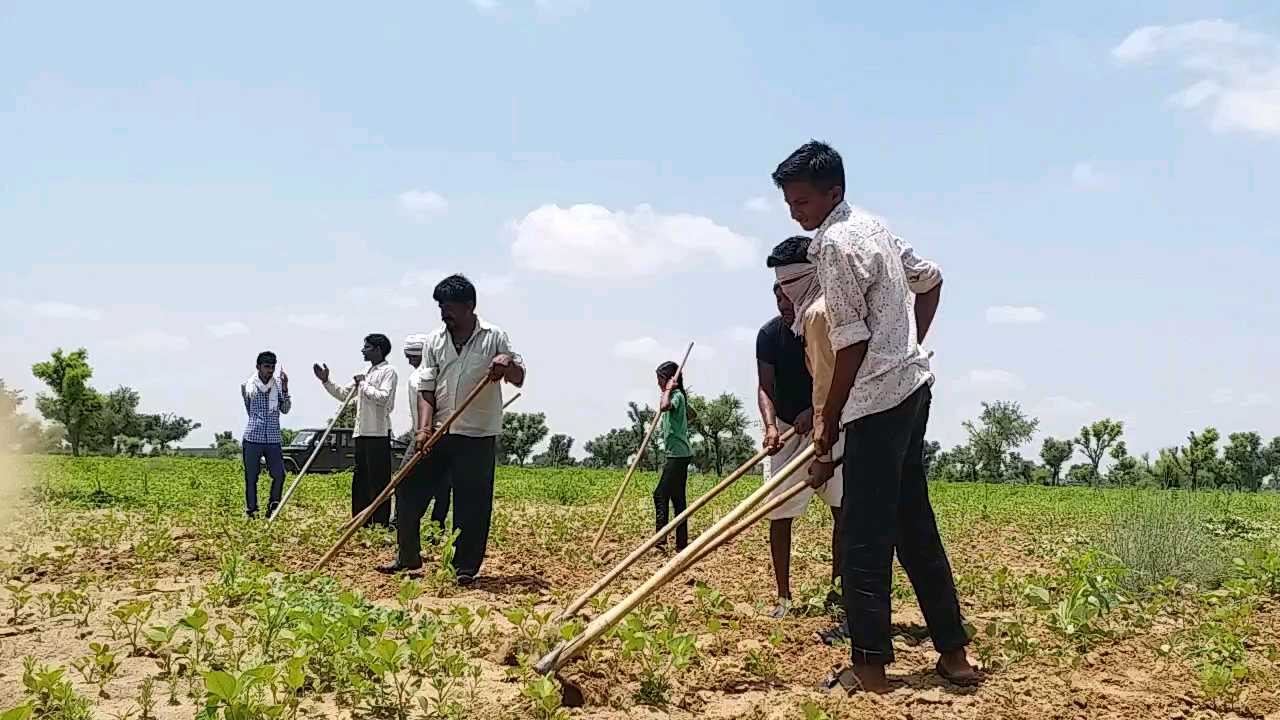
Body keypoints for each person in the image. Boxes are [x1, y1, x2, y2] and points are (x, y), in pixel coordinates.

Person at [772, 140, 978, 692]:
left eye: (804, 202)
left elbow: (853, 341)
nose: (797, 213)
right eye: (790, 203)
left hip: (875, 401)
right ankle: (954, 655)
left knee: (864, 537)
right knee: (914, 525)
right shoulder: (876, 226)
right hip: (913, 390)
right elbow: (930, 279)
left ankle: (868, 668)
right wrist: (909, 346)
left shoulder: (834, 246)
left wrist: (827, 419)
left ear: (833, 192)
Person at [384, 274, 524, 583]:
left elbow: (519, 376)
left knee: (471, 502)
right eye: (441, 307)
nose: (445, 313)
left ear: (470, 306)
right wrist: (422, 431)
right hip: (437, 432)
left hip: (477, 434)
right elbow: (426, 389)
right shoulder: (435, 340)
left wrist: (506, 363)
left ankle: (464, 568)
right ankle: (407, 555)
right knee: (406, 486)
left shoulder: (494, 337)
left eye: (450, 308)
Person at [767, 236, 848, 641]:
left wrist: (818, 427)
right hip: (790, 430)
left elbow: (829, 382)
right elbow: (765, 386)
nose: (786, 302)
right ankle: (783, 595)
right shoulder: (772, 333)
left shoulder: (822, 317)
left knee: (843, 511)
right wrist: (774, 426)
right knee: (778, 513)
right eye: (779, 294)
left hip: (828, 425)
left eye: (789, 290)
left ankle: (840, 595)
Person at [314, 334, 398, 528]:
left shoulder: (389, 372)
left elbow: (384, 398)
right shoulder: (365, 373)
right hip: (361, 433)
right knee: (361, 479)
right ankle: (360, 520)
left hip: (378, 433)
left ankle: (379, 522)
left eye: (367, 347)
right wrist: (326, 381)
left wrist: (364, 384)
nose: (363, 350)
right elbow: (344, 395)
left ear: (378, 349)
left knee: (378, 480)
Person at [400, 333, 450, 531]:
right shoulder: (426, 375)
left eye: (411, 355)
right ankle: (433, 529)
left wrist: (423, 432)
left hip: (429, 436)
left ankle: (418, 531)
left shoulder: (421, 376)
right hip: (429, 434)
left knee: (407, 486)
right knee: (441, 488)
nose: (409, 359)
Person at [240, 351, 291, 518]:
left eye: (272, 367)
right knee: (251, 476)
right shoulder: (247, 386)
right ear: (258, 367)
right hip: (253, 437)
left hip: (273, 438)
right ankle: (251, 509)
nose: (270, 370)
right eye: (267, 367)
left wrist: (285, 388)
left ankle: (273, 504)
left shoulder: (277, 385)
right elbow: (249, 409)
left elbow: (285, 409)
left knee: (279, 474)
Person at [654, 361, 696, 552]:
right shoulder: (679, 398)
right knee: (677, 498)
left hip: (678, 455)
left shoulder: (676, 396)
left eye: (660, 379)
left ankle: (660, 540)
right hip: (679, 454)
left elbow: (664, 406)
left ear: (670, 380)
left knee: (660, 494)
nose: (658, 383)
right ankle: (681, 543)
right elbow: (692, 415)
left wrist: (669, 390)